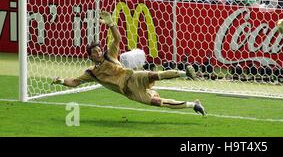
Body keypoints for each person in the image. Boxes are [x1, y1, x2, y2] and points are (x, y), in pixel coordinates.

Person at [52, 11, 205, 115]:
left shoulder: (109, 55)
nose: (98, 53)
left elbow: (117, 39)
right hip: (130, 92)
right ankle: (194, 105)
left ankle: (186, 73)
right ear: (90, 57)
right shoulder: (92, 72)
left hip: (132, 77)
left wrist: (111, 24)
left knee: (155, 74)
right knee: (159, 102)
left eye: (99, 50)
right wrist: (60, 81)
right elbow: (75, 82)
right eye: (95, 52)